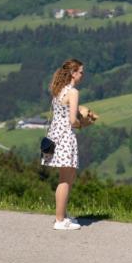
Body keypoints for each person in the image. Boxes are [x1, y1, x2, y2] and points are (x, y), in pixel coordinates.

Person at [42, 58, 88, 231]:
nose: (83, 75)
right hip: (66, 137)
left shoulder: (58, 89)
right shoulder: (73, 92)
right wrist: (83, 122)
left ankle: (62, 214)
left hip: (55, 135)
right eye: (81, 72)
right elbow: (72, 120)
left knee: (67, 177)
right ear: (73, 73)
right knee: (66, 179)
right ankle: (60, 219)